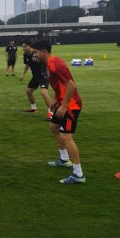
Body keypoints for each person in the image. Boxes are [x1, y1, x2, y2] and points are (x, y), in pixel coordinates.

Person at [31, 40, 85, 184]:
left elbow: (71, 85)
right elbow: (59, 85)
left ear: (44, 51)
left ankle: (78, 175)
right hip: (62, 102)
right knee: (53, 127)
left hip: (71, 106)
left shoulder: (56, 64)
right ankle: (64, 159)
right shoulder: (48, 65)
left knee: (66, 137)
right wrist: (55, 99)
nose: (33, 55)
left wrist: (65, 105)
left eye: (35, 52)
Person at [20, 40, 53, 120]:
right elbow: (27, 64)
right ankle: (33, 108)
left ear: (29, 46)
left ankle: (51, 114)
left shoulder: (36, 53)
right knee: (29, 91)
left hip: (43, 75)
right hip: (35, 76)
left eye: (25, 46)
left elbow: (47, 60)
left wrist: (48, 73)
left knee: (44, 92)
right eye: (22, 47)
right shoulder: (25, 55)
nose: (23, 48)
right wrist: (23, 74)